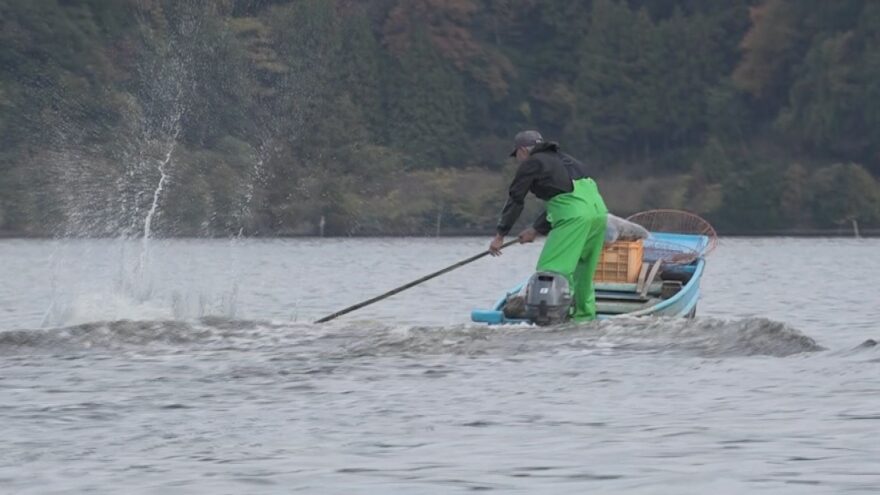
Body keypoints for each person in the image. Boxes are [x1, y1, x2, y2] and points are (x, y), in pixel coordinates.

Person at [489, 130, 608, 321]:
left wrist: (500, 235)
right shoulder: (568, 160)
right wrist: (536, 229)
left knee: (551, 270)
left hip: (574, 217)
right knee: (582, 269)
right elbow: (568, 199)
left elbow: (516, 199)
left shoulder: (532, 163)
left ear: (522, 151)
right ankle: (584, 317)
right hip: (599, 213)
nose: (518, 160)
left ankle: (554, 318)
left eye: (516, 156)